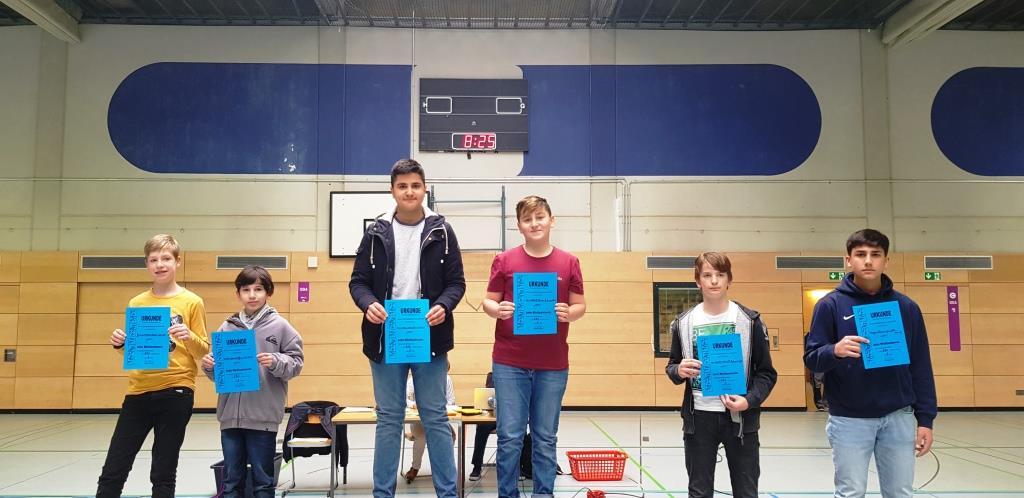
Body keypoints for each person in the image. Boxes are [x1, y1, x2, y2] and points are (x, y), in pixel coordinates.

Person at [349, 158, 465, 498]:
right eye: (402, 186)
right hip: (386, 337)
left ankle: (448, 493)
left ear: (424, 189)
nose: (409, 191)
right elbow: (358, 282)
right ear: (392, 191)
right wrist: (367, 303)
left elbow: (456, 283)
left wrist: (444, 305)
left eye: (415, 185)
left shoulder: (442, 231)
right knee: (389, 418)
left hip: (429, 336)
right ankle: (383, 494)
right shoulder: (375, 232)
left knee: (435, 417)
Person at [804, 229, 937, 498]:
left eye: (875, 255)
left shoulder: (906, 307)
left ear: (886, 261)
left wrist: (926, 419)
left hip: (898, 416)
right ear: (848, 260)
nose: (868, 261)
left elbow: (921, 365)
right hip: (848, 419)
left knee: (900, 492)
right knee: (851, 492)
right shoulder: (830, 305)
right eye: (860, 254)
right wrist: (835, 350)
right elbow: (812, 357)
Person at [482, 195, 586, 498]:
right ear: (519, 226)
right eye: (527, 219)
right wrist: (498, 309)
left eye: (540, 217)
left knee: (545, 437)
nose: (535, 223)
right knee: (509, 436)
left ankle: (544, 494)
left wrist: (570, 313)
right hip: (509, 362)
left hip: (552, 364)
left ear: (552, 220)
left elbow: (580, 305)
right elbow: (488, 301)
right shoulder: (504, 260)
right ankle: (507, 494)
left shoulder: (569, 262)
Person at [97, 234, 210, 498]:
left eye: (166, 258)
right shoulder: (137, 303)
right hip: (138, 391)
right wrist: (121, 344)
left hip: (176, 390)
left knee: (163, 470)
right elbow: (136, 352)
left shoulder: (192, 301)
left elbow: (203, 350)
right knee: (115, 466)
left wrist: (188, 336)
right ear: (147, 264)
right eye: (154, 260)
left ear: (178, 261)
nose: (160, 264)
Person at [665, 251, 777, 498]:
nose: (714, 280)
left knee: (746, 491)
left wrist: (749, 400)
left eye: (720, 275)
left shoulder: (750, 321)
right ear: (698, 281)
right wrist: (679, 370)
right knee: (699, 492)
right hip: (699, 418)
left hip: (740, 419)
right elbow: (672, 367)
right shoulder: (684, 322)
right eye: (707, 275)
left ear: (729, 280)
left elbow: (767, 374)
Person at [201, 265, 304, 498]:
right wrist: (209, 366)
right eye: (246, 290)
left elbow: (296, 363)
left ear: (268, 292)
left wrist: (276, 361)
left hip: (263, 418)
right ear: (238, 293)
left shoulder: (281, 326)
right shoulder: (227, 326)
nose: (252, 295)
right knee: (231, 482)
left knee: (263, 483)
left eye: (258, 289)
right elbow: (219, 374)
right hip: (230, 419)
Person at [468, 372, 535, 482]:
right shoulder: (492, 375)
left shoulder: (519, 377)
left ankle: (517, 467)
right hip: (493, 415)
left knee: (520, 430)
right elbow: (489, 394)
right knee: (481, 428)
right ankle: (477, 466)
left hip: (511, 416)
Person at [403, 363, 457, 483]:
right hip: (419, 419)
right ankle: (415, 467)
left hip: (438, 417)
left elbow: (451, 401)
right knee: (422, 437)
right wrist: (413, 404)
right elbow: (405, 399)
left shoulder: (446, 379)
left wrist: (440, 408)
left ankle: (442, 467)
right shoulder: (413, 379)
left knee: (451, 436)